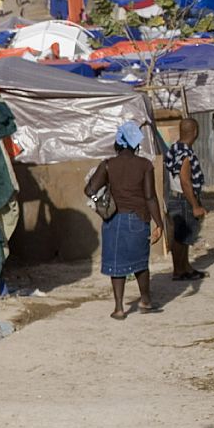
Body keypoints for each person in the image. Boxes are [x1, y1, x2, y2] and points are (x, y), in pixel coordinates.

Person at [85, 121, 164, 320]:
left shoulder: (108, 165)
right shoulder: (145, 165)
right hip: (138, 219)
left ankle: (119, 308)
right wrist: (159, 223)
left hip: (113, 221)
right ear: (135, 143)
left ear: (118, 142)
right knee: (140, 263)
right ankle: (145, 300)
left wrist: (100, 199)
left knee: (116, 265)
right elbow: (150, 197)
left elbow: (89, 190)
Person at [163, 118, 207, 280]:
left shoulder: (174, 148)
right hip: (183, 198)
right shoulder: (186, 153)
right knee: (181, 237)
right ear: (195, 132)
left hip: (175, 196)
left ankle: (185, 267)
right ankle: (179, 270)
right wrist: (195, 205)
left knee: (183, 236)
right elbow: (185, 180)